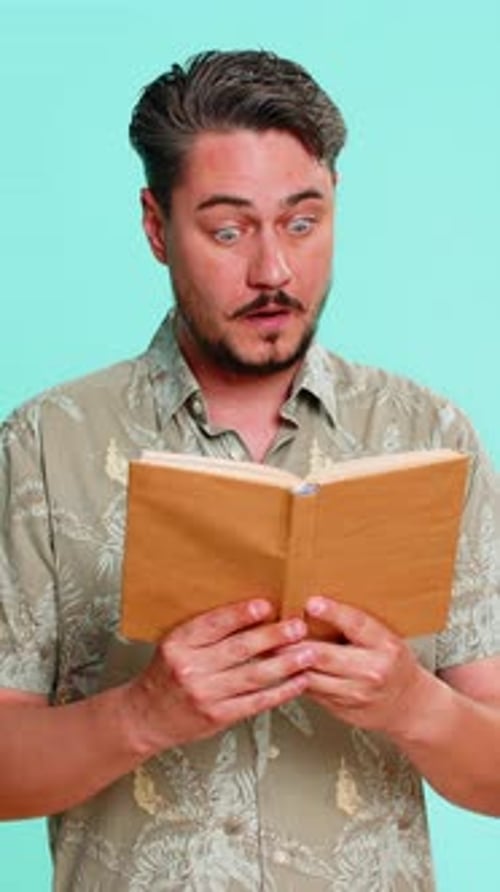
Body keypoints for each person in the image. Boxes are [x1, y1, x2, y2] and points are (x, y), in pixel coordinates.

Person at [0, 49, 499, 892]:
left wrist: (413, 704)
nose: (273, 271)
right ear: (157, 226)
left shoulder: (429, 433)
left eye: (303, 222)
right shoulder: (46, 444)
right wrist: (143, 713)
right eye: (228, 231)